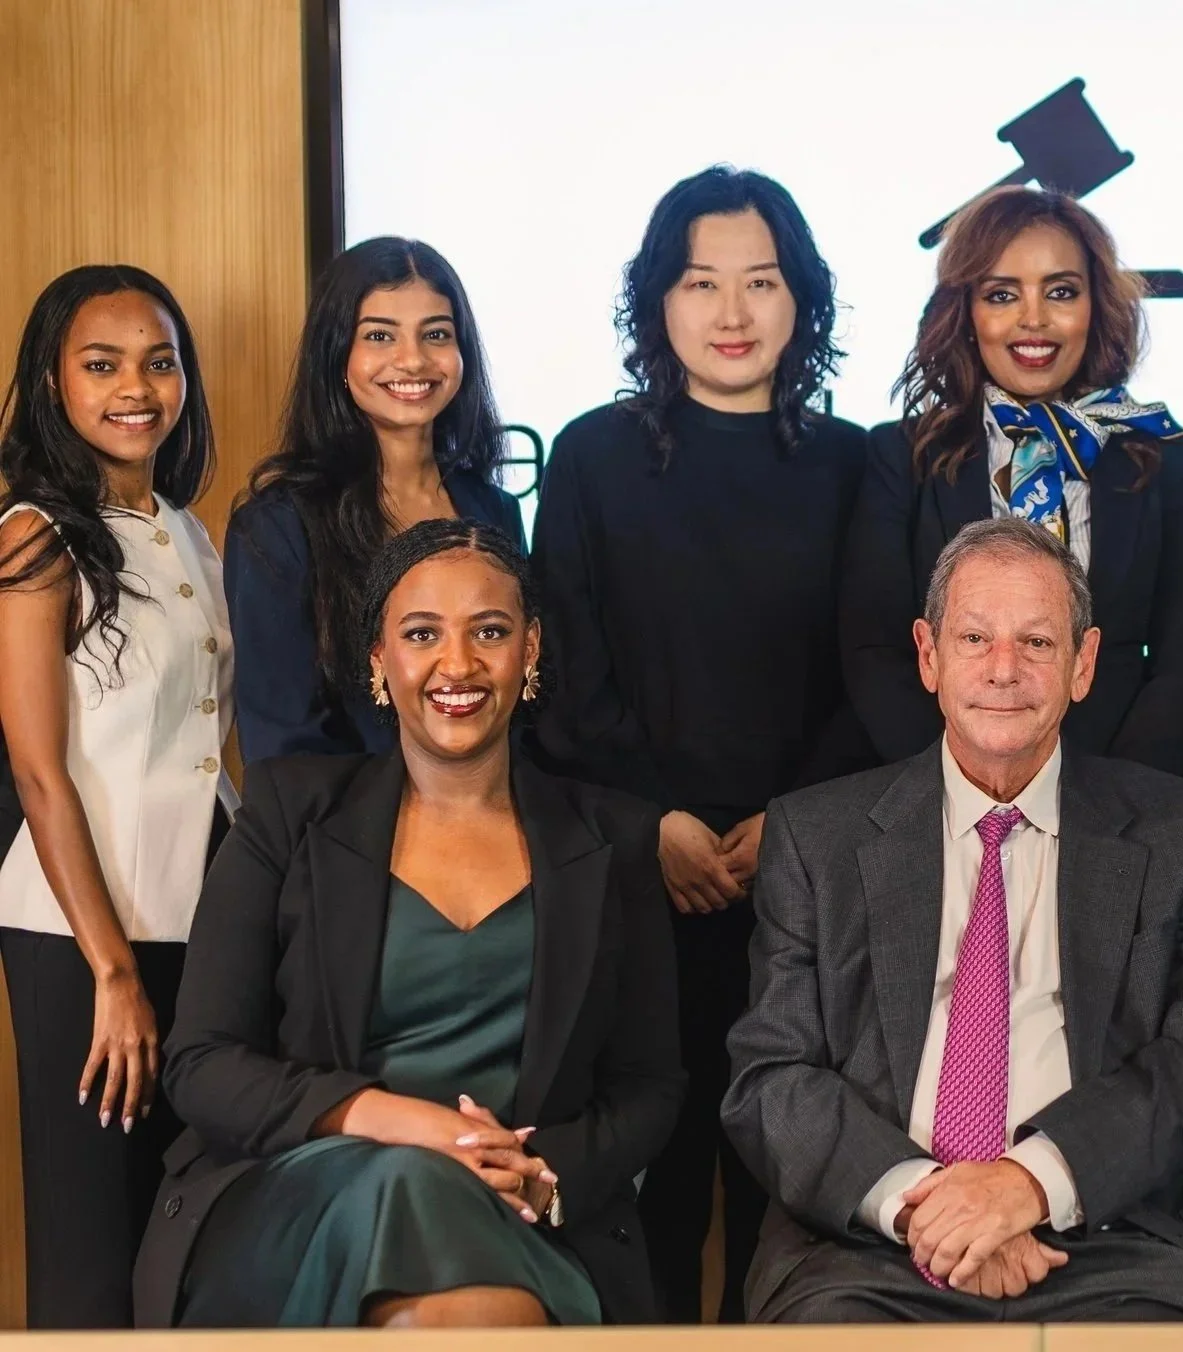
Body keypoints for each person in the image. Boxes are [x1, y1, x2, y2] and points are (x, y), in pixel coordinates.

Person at [141, 521, 682, 1327]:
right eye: (422, 634)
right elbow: (202, 1063)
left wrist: (541, 1175)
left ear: (530, 650)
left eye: (489, 632)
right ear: (378, 660)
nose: (456, 665)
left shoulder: (614, 839)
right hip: (298, 1202)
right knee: (411, 1185)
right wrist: (412, 1128)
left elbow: (649, 1085)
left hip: (524, 1209)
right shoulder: (289, 814)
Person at [725, 518, 1183, 1322]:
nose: (1004, 670)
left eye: (1037, 643)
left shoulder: (1182, 835)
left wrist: (1026, 1185)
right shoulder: (815, 837)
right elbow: (771, 1078)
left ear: (1083, 664)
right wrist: (929, 1205)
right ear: (928, 655)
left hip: (1115, 1238)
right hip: (874, 1247)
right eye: (974, 638)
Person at [528, 165, 870, 1324]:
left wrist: (795, 825)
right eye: (699, 282)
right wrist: (653, 823)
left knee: (792, 1186)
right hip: (639, 878)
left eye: (761, 281)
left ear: (801, 299)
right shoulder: (591, 455)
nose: (731, 312)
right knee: (652, 1188)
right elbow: (566, 670)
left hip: (809, 881)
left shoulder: (854, 464)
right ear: (656, 301)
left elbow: (874, 670)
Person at [0, 265, 230, 1327]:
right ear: (53, 381)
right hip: (80, 937)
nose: (137, 387)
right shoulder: (33, 532)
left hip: (195, 920)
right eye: (102, 364)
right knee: (90, 1256)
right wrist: (112, 970)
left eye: (159, 361)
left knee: (174, 1247)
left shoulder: (189, 531)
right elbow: (38, 770)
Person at [842, 186, 1183, 779]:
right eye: (1002, 294)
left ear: (1097, 306)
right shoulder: (902, 455)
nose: (1034, 318)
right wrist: (957, 787)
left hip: (1125, 792)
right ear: (967, 312)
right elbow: (876, 649)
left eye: (1061, 291)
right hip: (941, 793)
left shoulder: (1158, 453)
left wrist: (1118, 800)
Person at [226, 238, 525, 763]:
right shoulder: (277, 526)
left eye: (436, 334)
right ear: (337, 354)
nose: (413, 360)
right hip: (348, 813)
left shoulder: (494, 510)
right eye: (380, 336)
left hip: (494, 804)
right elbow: (284, 746)